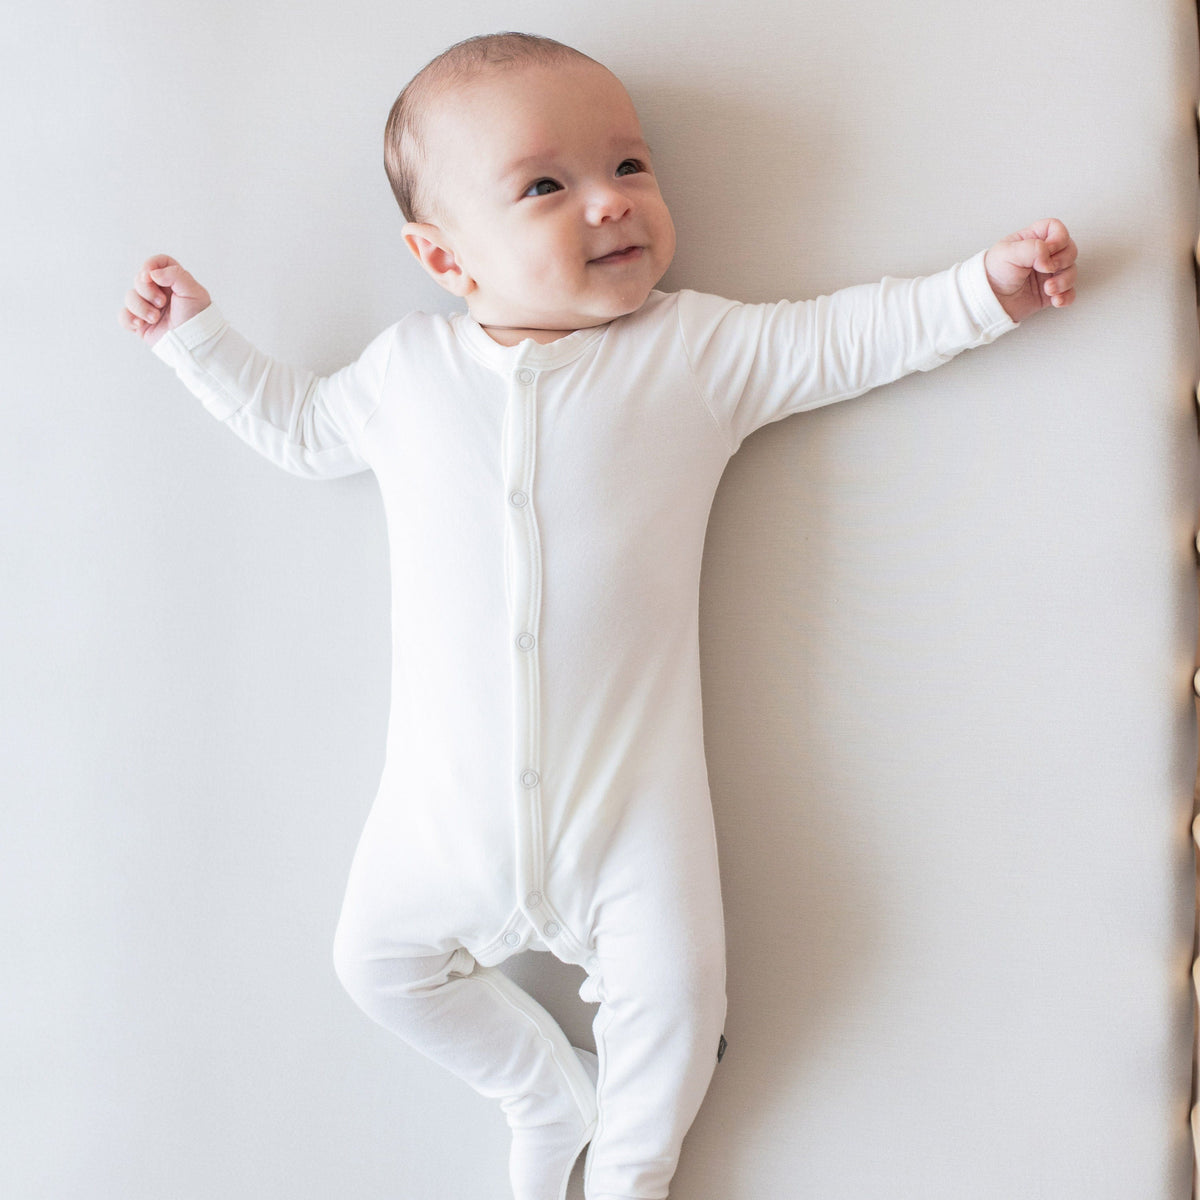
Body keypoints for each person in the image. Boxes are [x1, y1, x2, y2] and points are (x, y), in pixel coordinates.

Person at [119, 31, 1077, 1200]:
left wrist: (986, 290)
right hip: (439, 822)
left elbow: (847, 337)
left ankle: (628, 1176)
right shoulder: (404, 375)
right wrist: (194, 340)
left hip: (633, 822)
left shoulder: (693, 353)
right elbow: (301, 432)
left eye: (631, 166)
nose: (611, 204)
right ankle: (540, 1089)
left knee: (680, 1005)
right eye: (545, 185)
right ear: (443, 256)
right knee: (373, 964)